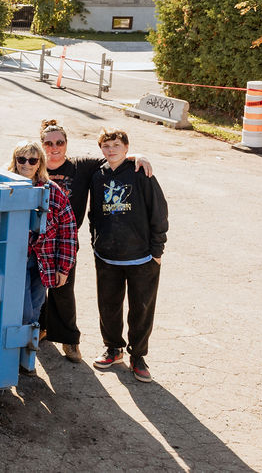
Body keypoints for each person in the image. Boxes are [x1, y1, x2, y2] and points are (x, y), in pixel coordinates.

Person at [39, 119, 153, 363]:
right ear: (42, 145)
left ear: (66, 144)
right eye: (48, 143)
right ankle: (40, 328)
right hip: (33, 238)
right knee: (34, 288)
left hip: (65, 241)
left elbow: (112, 158)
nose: (54, 147)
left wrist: (136, 155)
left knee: (63, 289)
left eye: (59, 142)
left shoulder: (80, 166)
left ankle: (69, 340)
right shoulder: (34, 164)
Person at [88, 128, 168, 384]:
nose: (111, 150)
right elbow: (94, 215)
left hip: (142, 258)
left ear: (126, 147)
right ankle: (113, 349)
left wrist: (157, 250)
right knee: (108, 307)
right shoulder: (98, 175)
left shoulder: (140, 173)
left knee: (141, 310)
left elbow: (159, 212)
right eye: (106, 145)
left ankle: (138, 356)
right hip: (107, 257)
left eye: (116, 145)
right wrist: (96, 243)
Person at [6, 141, 78, 373]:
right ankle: (17, 357)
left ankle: (26, 355)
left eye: (32, 160)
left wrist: (64, 268)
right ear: (15, 161)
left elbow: (68, 231)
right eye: (22, 159)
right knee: (24, 311)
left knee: (36, 307)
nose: (26, 164)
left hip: (42, 261)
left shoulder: (53, 192)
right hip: (14, 260)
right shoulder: (6, 186)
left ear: (40, 164)